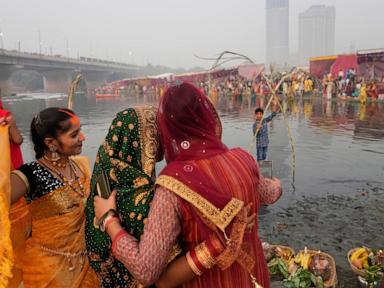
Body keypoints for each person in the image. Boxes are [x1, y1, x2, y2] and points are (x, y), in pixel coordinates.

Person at [94, 82, 282, 288]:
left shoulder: (172, 186)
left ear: (166, 128)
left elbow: (145, 270)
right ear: (208, 116)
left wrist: (109, 220)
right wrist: (278, 186)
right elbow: (267, 194)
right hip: (254, 279)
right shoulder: (244, 159)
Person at [85, 106, 181, 287]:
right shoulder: (141, 193)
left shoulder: (102, 176)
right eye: (157, 132)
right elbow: (162, 264)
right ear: (144, 139)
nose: (164, 138)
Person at [9, 107, 99, 287]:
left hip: (87, 264)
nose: (83, 137)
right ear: (50, 142)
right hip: (49, 271)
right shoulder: (30, 174)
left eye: (80, 131)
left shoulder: (80, 166)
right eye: (74, 135)